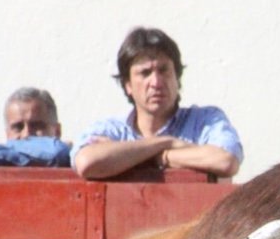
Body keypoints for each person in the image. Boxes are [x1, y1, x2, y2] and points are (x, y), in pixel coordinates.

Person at [72, 26, 243, 180]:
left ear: (177, 77)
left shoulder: (205, 121)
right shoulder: (112, 130)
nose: (156, 82)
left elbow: (226, 160)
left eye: (163, 70)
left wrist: (159, 157)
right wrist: (166, 143)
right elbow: (86, 162)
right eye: (145, 73)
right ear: (128, 85)